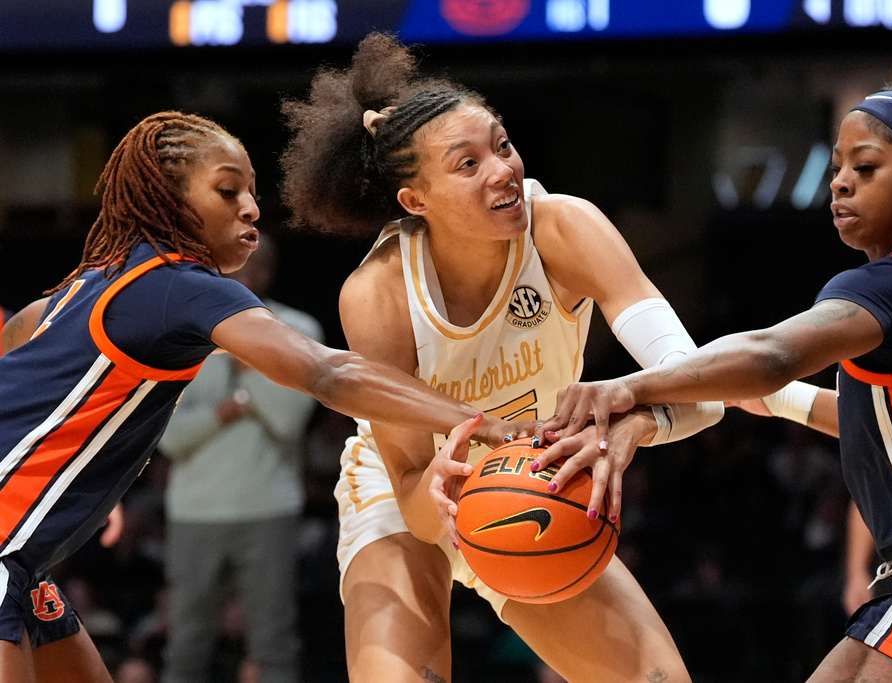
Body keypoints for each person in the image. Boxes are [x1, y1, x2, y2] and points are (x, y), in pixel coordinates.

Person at [524, 83, 892, 682]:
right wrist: (789, 403)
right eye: (838, 167)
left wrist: (630, 386)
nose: (840, 182)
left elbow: (772, 352)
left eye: (865, 168)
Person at [0, 110, 518, 682]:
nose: (251, 207)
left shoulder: (90, 284)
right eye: (228, 190)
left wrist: (72, 470)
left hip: (26, 565)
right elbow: (328, 373)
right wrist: (484, 422)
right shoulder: (177, 284)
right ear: (170, 198)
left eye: (252, 191)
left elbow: (19, 341)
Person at [278, 32, 723, 683]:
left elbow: (702, 385)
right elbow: (409, 486)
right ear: (414, 200)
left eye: (503, 144)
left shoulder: (567, 228)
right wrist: (444, 495)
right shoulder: (377, 293)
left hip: (533, 475)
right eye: (467, 164)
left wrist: (633, 426)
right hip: (410, 490)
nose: (503, 169)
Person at [158, 234, 323, 683]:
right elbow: (170, 438)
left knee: (273, 642)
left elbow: (289, 419)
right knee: (186, 643)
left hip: (268, 508)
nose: (229, 276)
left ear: (264, 273)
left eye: (244, 267)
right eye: (222, 267)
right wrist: (227, 409)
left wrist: (248, 350)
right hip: (194, 511)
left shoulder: (300, 331)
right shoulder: (183, 333)